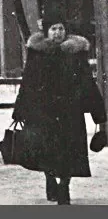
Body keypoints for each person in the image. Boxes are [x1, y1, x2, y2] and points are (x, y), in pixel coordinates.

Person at [12, 15, 107, 205]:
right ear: (46, 32)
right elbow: (28, 82)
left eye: (61, 29)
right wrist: (20, 110)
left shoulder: (76, 53)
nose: (58, 33)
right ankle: (50, 179)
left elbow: (87, 82)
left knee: (69, 151)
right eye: (54, 29)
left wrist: (99, 114)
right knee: (46, 151)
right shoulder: (37, 52)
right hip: (43, 112)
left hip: (70, 112)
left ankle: (64, 185)